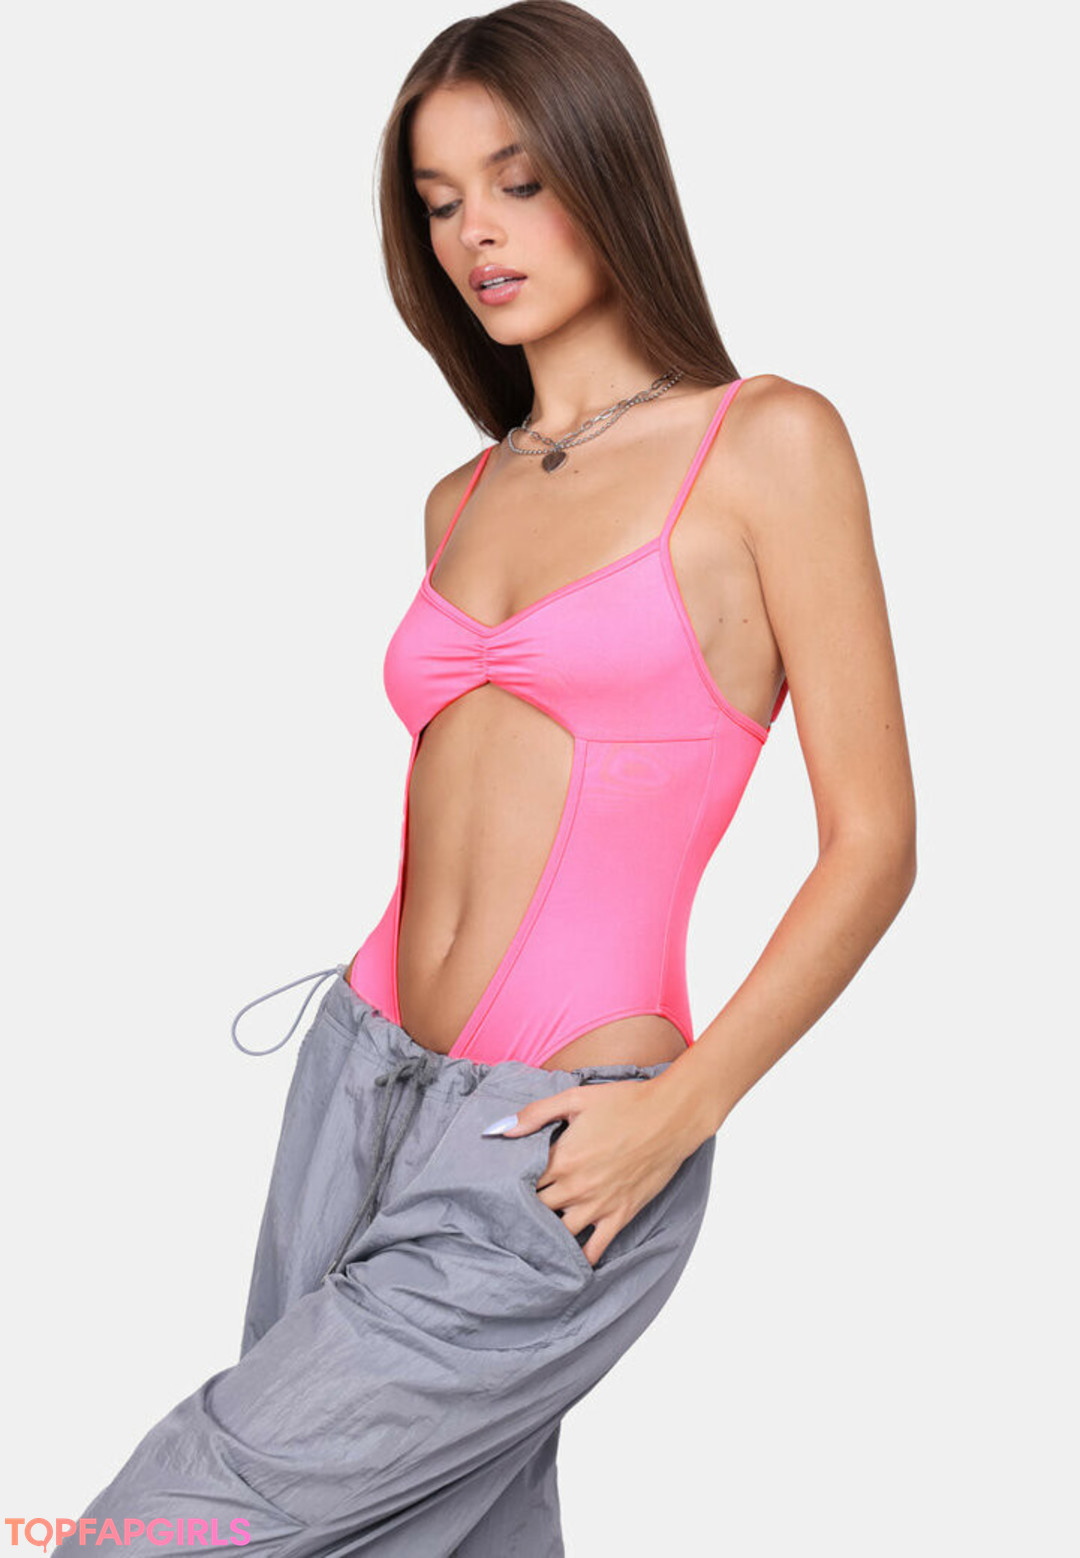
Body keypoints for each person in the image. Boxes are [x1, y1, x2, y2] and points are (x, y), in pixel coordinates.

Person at [60, 2, 916, 1553]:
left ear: (609, 169)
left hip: (557, 1133)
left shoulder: (766, 444)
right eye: (440, 198)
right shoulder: (461, 494)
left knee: (171, 1521)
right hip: (357, 1078)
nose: (476, 234)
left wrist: (680, 1110)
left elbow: (876, 840)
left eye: (517, 181)